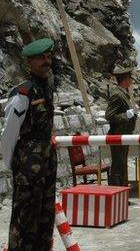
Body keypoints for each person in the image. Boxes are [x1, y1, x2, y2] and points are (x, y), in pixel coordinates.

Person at [1, 38, 56, 250]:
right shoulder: (23, 93)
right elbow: (8, 134)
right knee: (25, 221)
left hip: (47, 161)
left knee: (45, 218)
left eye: (48, 57)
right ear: (29, 62)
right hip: (28, 165)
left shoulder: (47, 88)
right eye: (41, 58)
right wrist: (14, 164)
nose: (46, 61)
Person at [105, 64, 137, 187]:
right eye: (130, 78)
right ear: (125, 79)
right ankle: (116, 192)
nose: (131, 81)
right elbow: (109, 116)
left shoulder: (124, 93)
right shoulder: (117, 94)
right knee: (118, 165)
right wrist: (126, 115)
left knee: (122, 164)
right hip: (118, 134)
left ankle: (122, 193)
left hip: (124, 134)